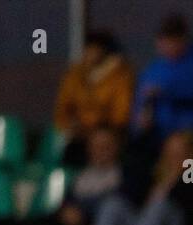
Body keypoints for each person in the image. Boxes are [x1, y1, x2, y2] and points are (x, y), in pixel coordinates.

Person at [130, 15, 193, 149]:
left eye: (171, 42)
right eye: (163, 41)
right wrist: (140, 121)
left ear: (183, 40)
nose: (166, 46)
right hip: (158, 135)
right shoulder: (154, 69)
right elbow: (141, 99)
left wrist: (167, 92)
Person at [53, 30, 135, 164]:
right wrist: (71, 126)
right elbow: (62, 109)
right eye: (89, 48)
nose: (91, 53)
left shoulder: (120, 76)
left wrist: (96, 129)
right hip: (78, 137)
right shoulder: (75, 75)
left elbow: (121, 115)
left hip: (108, 135)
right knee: (69, 157)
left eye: (95, 49)